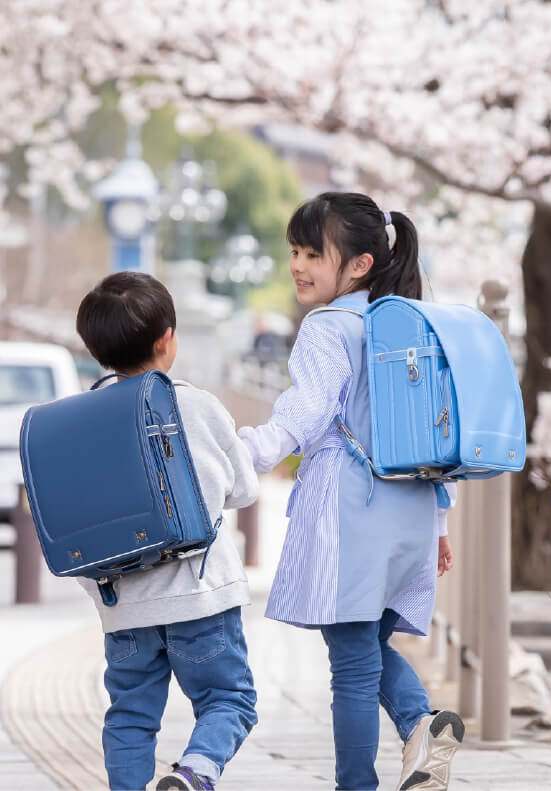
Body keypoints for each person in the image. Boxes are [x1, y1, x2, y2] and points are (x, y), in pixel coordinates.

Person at [238, 192, 463, 791]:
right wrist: (440, 526)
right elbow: (432, 430)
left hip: (351, 506)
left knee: (353, 663)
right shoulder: (405, 324)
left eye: (313, 252)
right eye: (294, 251)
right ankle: (424, 726)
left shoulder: (327, 326)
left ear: (359, 264)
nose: (298, 264)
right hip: (411, 508)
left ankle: (363, 778)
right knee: (366, 643)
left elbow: (307, 410)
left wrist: (252, 450)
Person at [75, 272, 260, 791]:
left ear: (96, 350)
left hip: (123, 604)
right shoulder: (195, 404)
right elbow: (243, 488)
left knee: (131, 715)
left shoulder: (83, 420)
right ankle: (195, 773)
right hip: (200, 597)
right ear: (166, 340)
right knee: (229, 700)